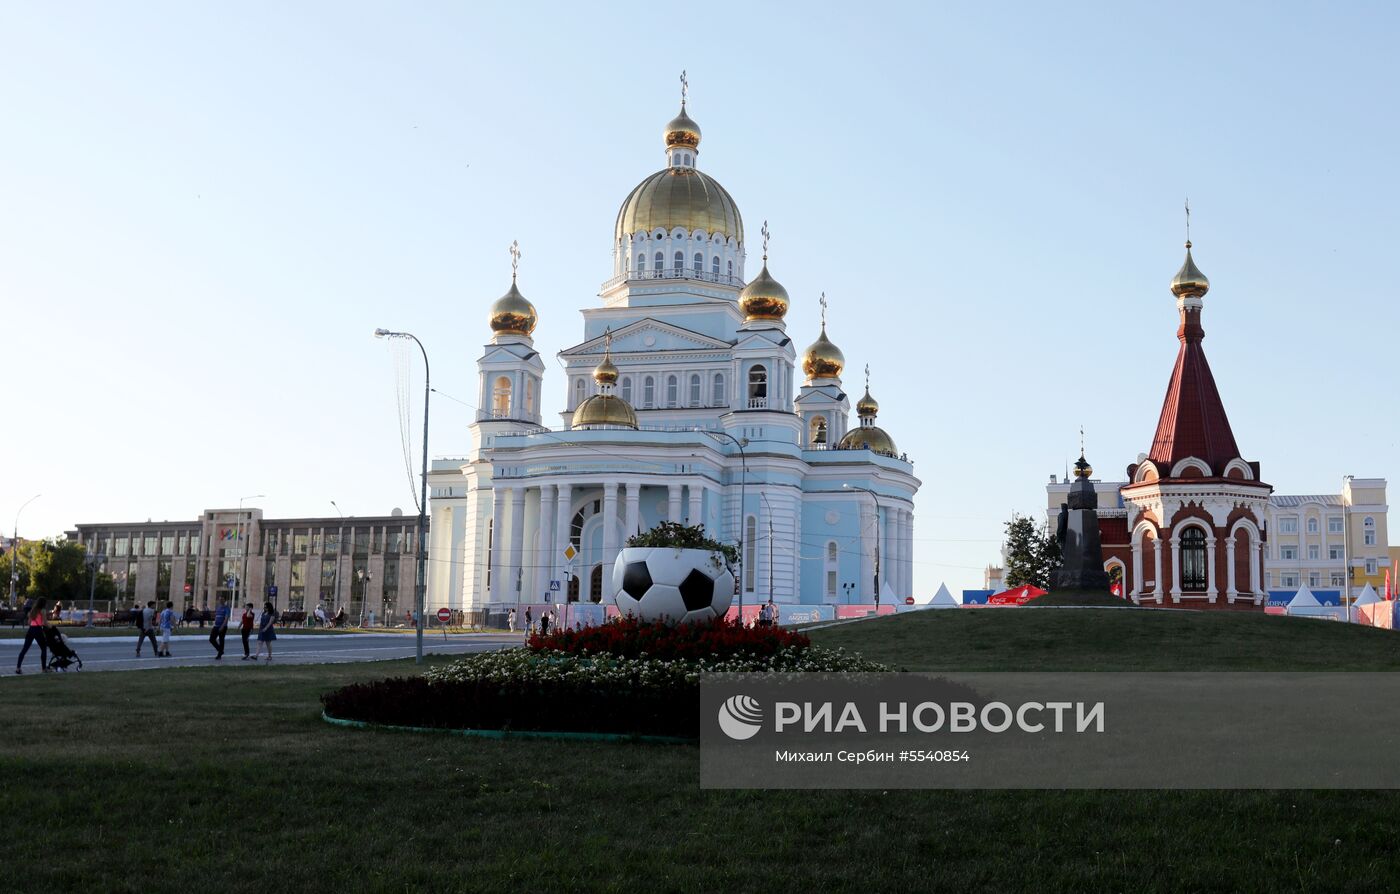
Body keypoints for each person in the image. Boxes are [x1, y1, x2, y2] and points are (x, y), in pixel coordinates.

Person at [15, 597, 49, 674]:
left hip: (31, 630)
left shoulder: (33, 610)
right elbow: (44, 623)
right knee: (43, 648)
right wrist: (51, 626)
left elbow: (29, 622)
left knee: (24, 649)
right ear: (43, 603)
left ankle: (18, 668)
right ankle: (44, 669)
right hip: (38, 630)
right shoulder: (42, 610)